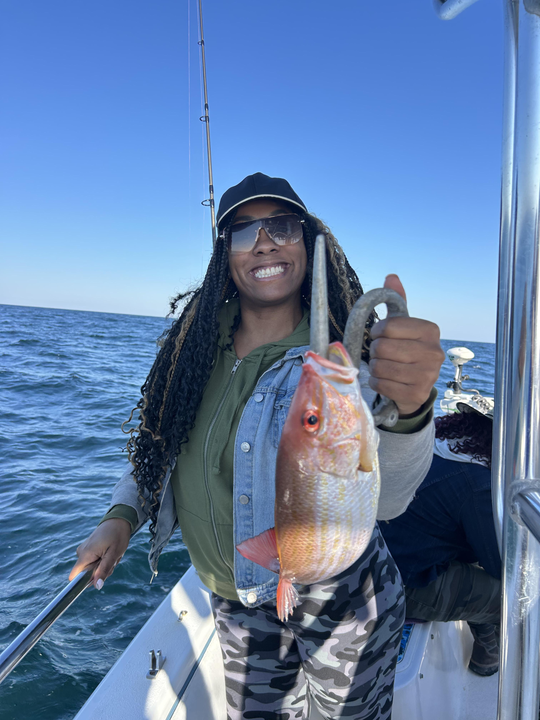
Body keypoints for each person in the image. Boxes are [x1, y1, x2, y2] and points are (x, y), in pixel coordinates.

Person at [69, 172, 444, 719]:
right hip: (236, 599)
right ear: (226, 254)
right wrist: (122, 517)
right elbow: (156, 448)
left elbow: (389, 498)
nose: (264, 242)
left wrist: (409, 409)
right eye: (244, 232)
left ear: (307, 241)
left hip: (340, 601)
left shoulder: (340, 368)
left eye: (281, 227)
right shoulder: (192, 348)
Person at [380, 399, 501, 677]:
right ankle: (488, 651)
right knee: (514, 597)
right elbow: (501, 567)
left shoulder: (438, 441)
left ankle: (487, 652)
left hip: (374, 561)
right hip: (399, 586)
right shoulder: (479, 484)